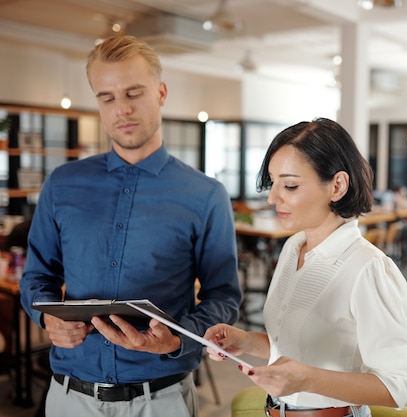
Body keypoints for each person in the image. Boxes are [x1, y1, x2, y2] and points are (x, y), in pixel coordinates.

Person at [19, 35, 241, 417]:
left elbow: (224, 297)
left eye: (133, 93)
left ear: (161, 92)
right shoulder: (62, 184)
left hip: (162, 400)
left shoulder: (206, 195)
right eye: (107, 97)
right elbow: (37, 276)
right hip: (70, 399)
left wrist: (176, 340)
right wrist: (46, 316)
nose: (121, 109)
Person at [204, 118, 407, 415]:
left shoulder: (368, 269)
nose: (272, 197)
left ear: (337, 186)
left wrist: (308, 380)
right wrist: (244, 341)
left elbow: (397, 386)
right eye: (273, 182)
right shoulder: (294, 248)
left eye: (290, 185)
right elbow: (300, 347)